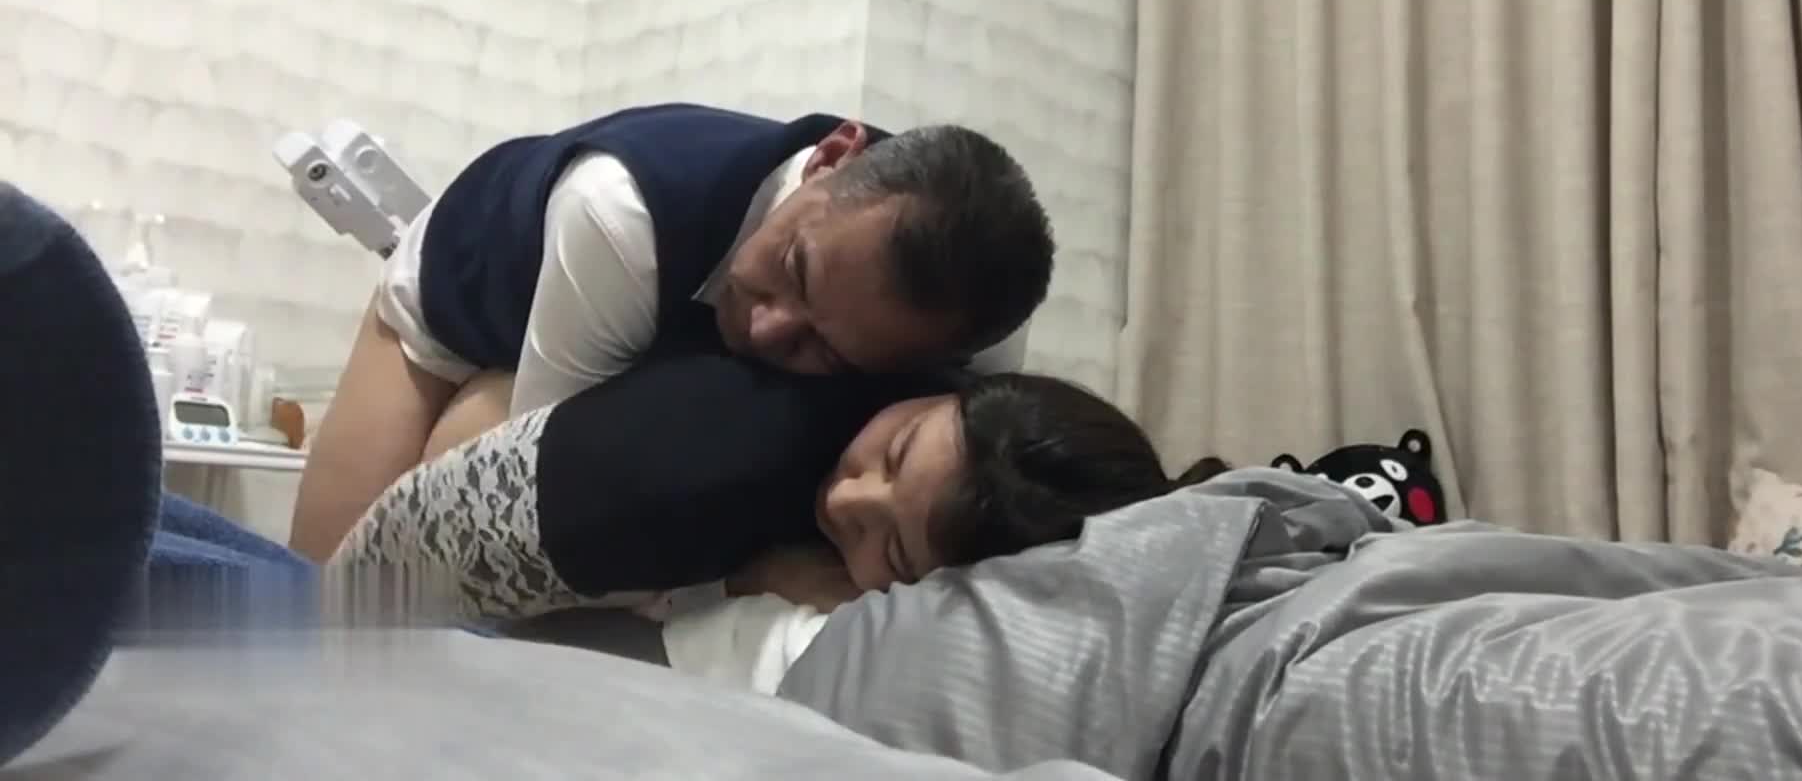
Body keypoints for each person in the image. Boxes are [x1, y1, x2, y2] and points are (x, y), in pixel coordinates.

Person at [291, 104, 1056, 561]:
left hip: (625, 337)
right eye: (793, 267)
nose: (766, 326)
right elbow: (534, 501)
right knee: (322, 603)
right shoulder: (621, 212)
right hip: (466, 288)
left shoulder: (971, 339)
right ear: (830, 156)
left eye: (823, 350)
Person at [332, 355, 1229, 622]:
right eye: (893, 453)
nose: (845, 502)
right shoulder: (727, 462)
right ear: (958, 385)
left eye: (892, 550)